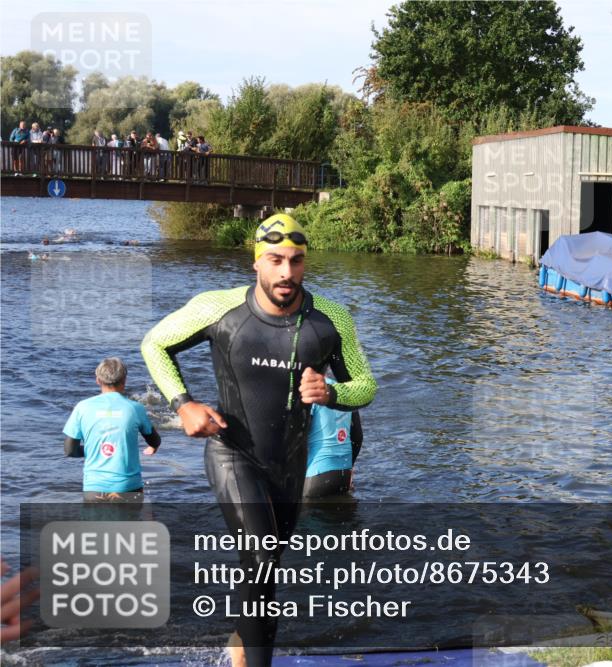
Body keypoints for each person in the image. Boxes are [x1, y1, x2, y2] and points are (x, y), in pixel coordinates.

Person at [141, 213, 377, 667]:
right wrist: (183, 404)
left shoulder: (332, 321)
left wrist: (332, 392)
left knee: (262, 572)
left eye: (296, 261)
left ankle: (237, 651)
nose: (286, 273)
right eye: (275, 260)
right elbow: (155, 343)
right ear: (257, 263)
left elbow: (366, 384)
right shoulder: (219, 308)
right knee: (263, 555)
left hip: (290, 467)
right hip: (233, 453)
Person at [63, 357, 161, 503]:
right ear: (124, 381)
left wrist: (91, 449)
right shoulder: (135, 408)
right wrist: (153, 446)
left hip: (94, 488)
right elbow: (155, 439)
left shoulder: (82, 408)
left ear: (98, 380)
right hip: (128, 487)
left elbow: (70, 450)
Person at [302, 379, 364, 498]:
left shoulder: (308, 390)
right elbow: (358, 437)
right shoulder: (344, 390)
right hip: (343, 475)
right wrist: (350, 468)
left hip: (315, 476)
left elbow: (300, 439)